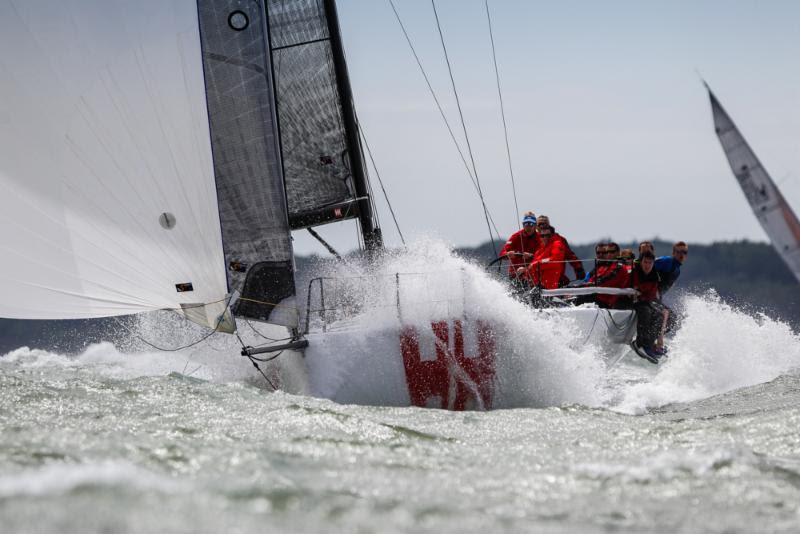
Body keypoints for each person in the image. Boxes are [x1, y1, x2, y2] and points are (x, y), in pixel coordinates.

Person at [631, 251, 669, 362]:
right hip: (632, 301)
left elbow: (651, 295)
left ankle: (649, 344)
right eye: (645, 262)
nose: (647, 265)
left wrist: (643, 294)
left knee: (659, 315)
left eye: (650, 263)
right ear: (641, 262)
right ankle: (640, 343)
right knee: (645, 311)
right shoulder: (634, 272)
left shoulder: (654, 275)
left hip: (645, 300)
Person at [536, 215, 585, 282]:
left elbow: (570, 255)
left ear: (549, 226)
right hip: (539, 277)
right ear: (536, 227)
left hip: (557, 276)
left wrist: (578, 268)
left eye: (544, 224)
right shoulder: (535, 240)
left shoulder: (560, 240)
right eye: (540, 224)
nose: (542, 226)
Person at [526, 223, 569, 289]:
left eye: (548, 235)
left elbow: (555, 260)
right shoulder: (539, 251)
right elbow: (532, 266)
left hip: (549, 289)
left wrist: (538, 263)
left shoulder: (557, 244)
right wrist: (525, 270)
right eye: (542, 236)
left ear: (552, 235)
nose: (545, 238)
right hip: (536, 287)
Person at [500, 211, 541, 280]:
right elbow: (502, 254)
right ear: (522, 224)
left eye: (531, 224)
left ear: (535, 225)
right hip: (515, 275)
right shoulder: (516, 236)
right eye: (526, 224)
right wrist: (507, 254)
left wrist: (531, 256)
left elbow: (543, 257)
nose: (528, 227)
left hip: (532, 273)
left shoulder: (540, 238)